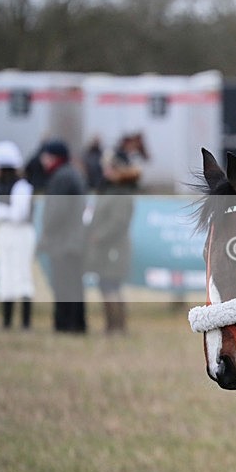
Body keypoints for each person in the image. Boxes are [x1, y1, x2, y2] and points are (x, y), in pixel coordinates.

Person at [85, 133, 146, 334]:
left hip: (114, 248)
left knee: (112, 286)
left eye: (109, 167)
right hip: (106, 248)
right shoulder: (110, 190)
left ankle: (117, 327)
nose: (106, 170)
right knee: (105, 286)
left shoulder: (121, 192)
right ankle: (111, 326)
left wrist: (99, 236)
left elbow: (118, 223)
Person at [0, 141, 36, 331]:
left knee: (22, 275)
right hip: (5, 232)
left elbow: (18, 214)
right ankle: (7, 322)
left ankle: (25, 323)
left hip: (21, 233)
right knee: (5, 275)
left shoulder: (21, 187)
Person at [37, 139, 87, 334]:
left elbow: (56, 212)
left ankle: (65, 325)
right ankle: (77, 324)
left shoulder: (61, 177)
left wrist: (46, 234)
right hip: (74, 241)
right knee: (74, 285)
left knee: (63, 286)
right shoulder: (72, 173)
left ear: (53, 157)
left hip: (63, 242)